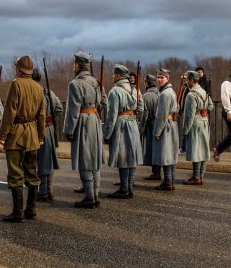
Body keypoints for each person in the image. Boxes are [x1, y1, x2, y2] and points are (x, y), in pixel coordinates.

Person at [0, 56, 45, 222]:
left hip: (16, 134)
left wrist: (3, 135)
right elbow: (41, 115)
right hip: (32, 133)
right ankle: (31, 210)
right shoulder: (39, 87)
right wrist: (40, 136)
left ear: (18, 69)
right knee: (32, 172)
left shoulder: (16, 84)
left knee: (15, 173)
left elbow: (9, 112)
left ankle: (18, 212)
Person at [63, 51, 104, 209]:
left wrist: (69, 130)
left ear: (78, 65)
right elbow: (101, 103)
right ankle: (95, 196)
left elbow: (73, 111)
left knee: (84, 159)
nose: (73, 66)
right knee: (94, 160)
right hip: (94, 120)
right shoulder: (95, 82)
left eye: (74, 64)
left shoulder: (75, 83)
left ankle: (89, 197)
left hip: (83, 122)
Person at [104, 64, 142, 199]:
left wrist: (107, 134)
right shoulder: (134, 89)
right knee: (131, 157)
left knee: (123, 157)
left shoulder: (115, 91)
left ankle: (124, 188)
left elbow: (111, 115)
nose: (112, 76)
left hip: (121, 124)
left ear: (119, 75)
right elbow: (140, 108)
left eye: (114, 74)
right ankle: (129, 188)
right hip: (132, 123)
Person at [31, 69, 63, 202]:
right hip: (48, 129)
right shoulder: (47, 91)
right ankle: (49, 190)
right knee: (47, 160)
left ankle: (43, 192)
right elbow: (59, 108)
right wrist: (51, 119)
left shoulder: (33, 92)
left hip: (38, 129)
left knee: (42, 161)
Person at [181, 71, 213, 185]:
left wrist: (185, 130)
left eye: (187, 80)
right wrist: (204, 113)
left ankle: (196, 177)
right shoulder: (204, 91)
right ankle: (201, 177)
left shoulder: (191, 95)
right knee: (203, 150)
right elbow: (211, 106)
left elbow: (189, 115)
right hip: (204, 122)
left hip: (195, 123)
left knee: (196, 150)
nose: (186, 82)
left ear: (191, 80)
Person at [152, 68, 179, 191]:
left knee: (166, 154)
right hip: (171, 123)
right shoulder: (171, 91)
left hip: (166, 125)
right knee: (170, 154)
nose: (159, 80)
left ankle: (168, 182)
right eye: (157, 77)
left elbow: (161, 115)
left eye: (161, 77)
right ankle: (170, 181)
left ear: (167, 78)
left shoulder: (165, 94)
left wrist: (157, 132)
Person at [141, 74, 161, 180]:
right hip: (160, 124)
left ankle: (156, 173)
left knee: (152, 149)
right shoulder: (160, 93)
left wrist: (141, 128)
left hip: (151, 124)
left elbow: (144, 115)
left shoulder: (146, 96)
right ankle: (157, 172)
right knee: (158, 149)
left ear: (147, 83)